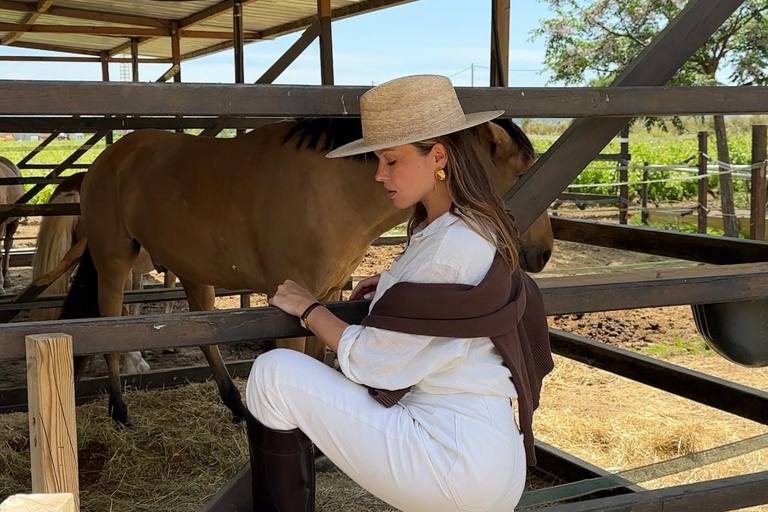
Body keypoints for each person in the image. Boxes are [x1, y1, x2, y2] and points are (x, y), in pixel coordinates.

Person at [245, 74, 554, 512]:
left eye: (391, 161)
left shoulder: (448, 247)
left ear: (439, 157)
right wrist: (391, 289)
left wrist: (310, 308)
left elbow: (371, 362)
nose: (378, 174)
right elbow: (442, 303)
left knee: (272, 374)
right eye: (377, 160)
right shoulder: (473, 225)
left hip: (450, 456)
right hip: (489, 450)